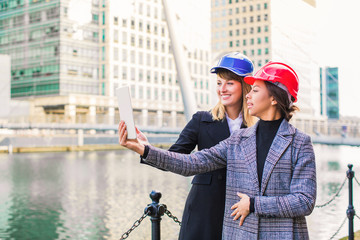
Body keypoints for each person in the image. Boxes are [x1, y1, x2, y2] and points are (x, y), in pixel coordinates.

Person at [118, 61, 317, 239]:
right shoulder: (239, 140)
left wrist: (255, 204)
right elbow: (192, 163)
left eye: (255, 90)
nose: (249, 94)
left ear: (274, 98)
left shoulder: (300, 143)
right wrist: (145, 149)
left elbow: (305, 201)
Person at [137, 52, 256, 240]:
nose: (222, 89)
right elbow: (175, 158)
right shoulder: (202, 119)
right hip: (204, 211)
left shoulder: (256, 128)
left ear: (245, 86)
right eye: (219, 83)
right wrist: (146, 148)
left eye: (229, 83)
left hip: (241, 213)